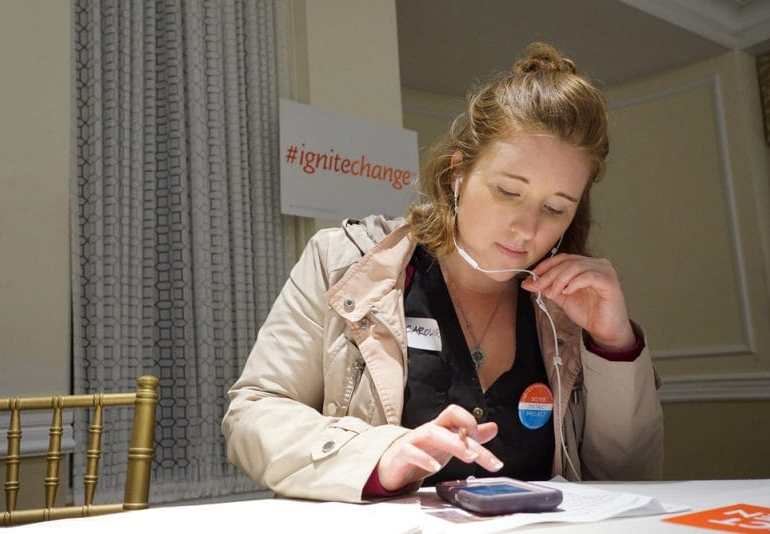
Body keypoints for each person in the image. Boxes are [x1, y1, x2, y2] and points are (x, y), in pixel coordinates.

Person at [222, 42, 664, 503]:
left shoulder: (567, 308)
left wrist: (614, 347)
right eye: (509, 192)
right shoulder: (343, 264)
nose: (527, 228)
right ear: (458, 173)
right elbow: (252, 416)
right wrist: (379, 455)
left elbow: (629, 474)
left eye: (555, 208)